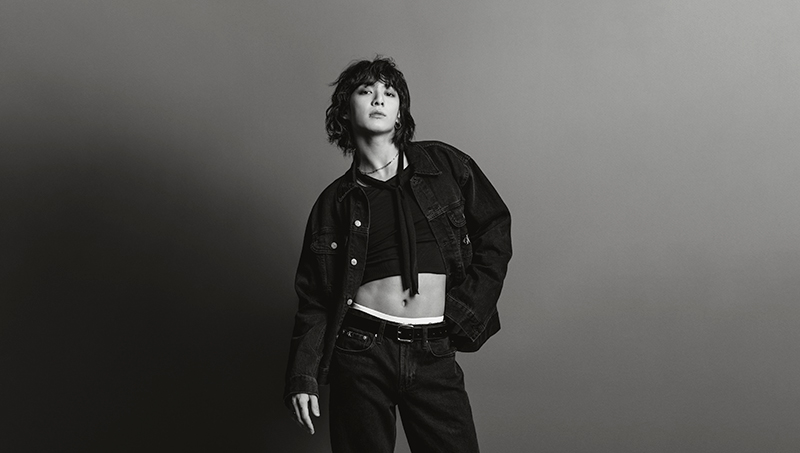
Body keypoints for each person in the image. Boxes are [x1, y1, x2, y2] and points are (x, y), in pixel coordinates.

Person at [284, 56, 512, 452]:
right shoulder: (335, 202)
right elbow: (315, 298)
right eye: (366, 91)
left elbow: (494, 230)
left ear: (400, 112)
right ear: (345, 110)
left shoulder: (444, 165)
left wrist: (465, 311)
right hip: (361, 350)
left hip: (433, 349)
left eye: (389, 93)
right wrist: (302, 375)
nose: (378, 99)